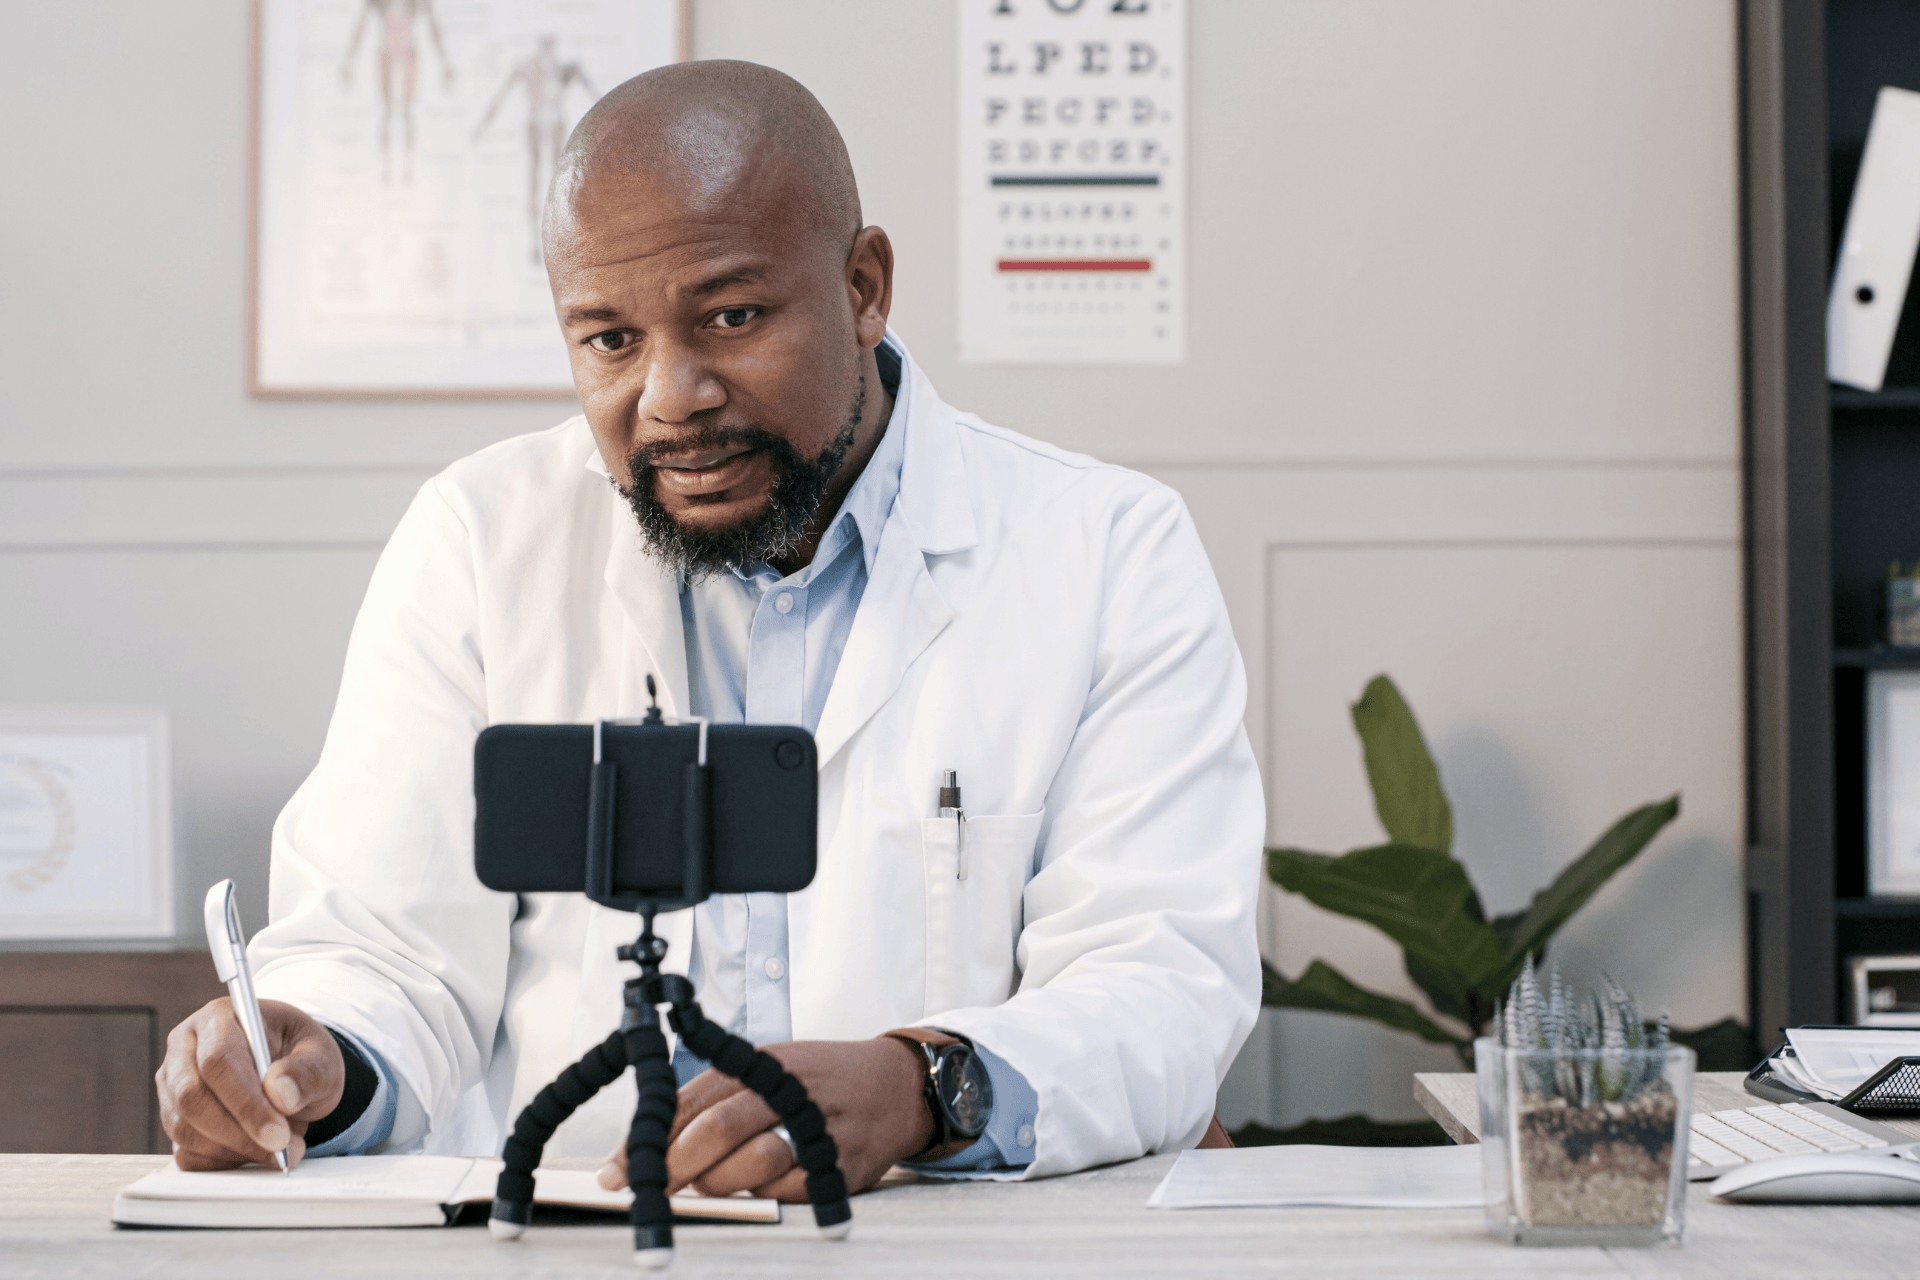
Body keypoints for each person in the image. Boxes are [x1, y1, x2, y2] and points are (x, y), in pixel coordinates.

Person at [156, 60, 1262, 1201]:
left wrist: (920, 1085)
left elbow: (1164, 977)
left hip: (943, 1247)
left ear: (864, 284)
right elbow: (382, 948)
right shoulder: (477, 540)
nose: (671, 395)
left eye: (732, 317)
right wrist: (318, 1057)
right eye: (608, 340)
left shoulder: (1108, 548)